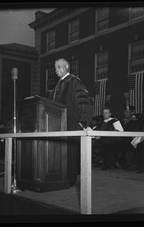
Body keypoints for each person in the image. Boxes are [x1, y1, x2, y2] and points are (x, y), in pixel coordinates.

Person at [52, 58, 93, 186]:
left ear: (67, 67)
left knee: (71, 150)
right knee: (62, 149)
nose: (57, 69)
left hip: (72, 121)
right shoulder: (59, 84)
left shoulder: (75, 82)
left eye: (59, 66)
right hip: (60, 122)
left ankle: (71, 178)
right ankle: (62, 174)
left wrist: (82, 121)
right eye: (55, 67)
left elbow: (82, 101)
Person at [119, 106, 139, 170]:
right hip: (122, 139)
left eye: (127, 112)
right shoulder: (122, 121)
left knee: (127, 146)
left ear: (131, 113)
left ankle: (130, 165)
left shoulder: (135, 122)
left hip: (130, 139)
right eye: (124, 112)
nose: (125, 113)